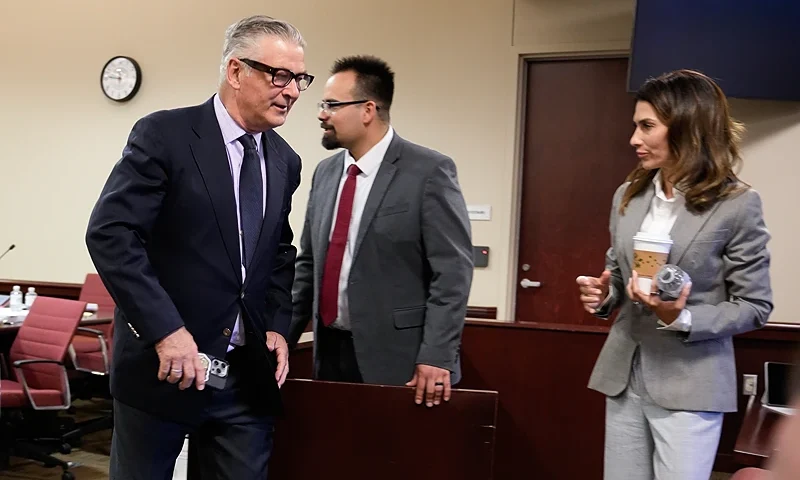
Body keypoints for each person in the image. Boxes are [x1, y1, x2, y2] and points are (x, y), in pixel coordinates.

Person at [85, 15, 311, 479]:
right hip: (163, 369)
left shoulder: (285, 160)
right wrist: (166, 331)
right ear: (235, 71)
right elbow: (112, 233)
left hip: (244, 381)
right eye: (280, 76)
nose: (291, 91)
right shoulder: (166, 135)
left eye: (299, 79)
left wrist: (275, 326)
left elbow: (279, 253)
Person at [576, 69, 773, 479]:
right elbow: (617, 269)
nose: (634, 139)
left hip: (690, 381)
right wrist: (604, 294)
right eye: (635, 125)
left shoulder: (737, 204)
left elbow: (754, 306)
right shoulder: (628, 194)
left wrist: (679, 317)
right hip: (625, 373)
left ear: (688, 127)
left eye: (647, 126)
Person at [288, 55, 473, 408]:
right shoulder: (326, 173)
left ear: (368, 110)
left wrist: (437, 355)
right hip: (329, 353)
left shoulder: (429, 171)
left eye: (332, 104)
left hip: (400, 361)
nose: (321, 114)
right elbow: (309, 267)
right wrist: (283, 337)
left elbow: (452, 274)